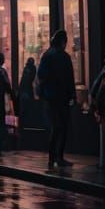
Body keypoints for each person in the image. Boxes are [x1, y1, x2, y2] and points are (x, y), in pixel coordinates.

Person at [37, 30, 76, 171]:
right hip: (62, 97)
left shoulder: (47, 55)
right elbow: (70, 78)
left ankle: (52, 157)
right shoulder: (64, 57)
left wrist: (43, 93)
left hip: (50, 97)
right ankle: (59, 157)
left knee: (55, 127)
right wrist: (72, 95)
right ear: (63, 42)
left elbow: (41, 76)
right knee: (62, 127)